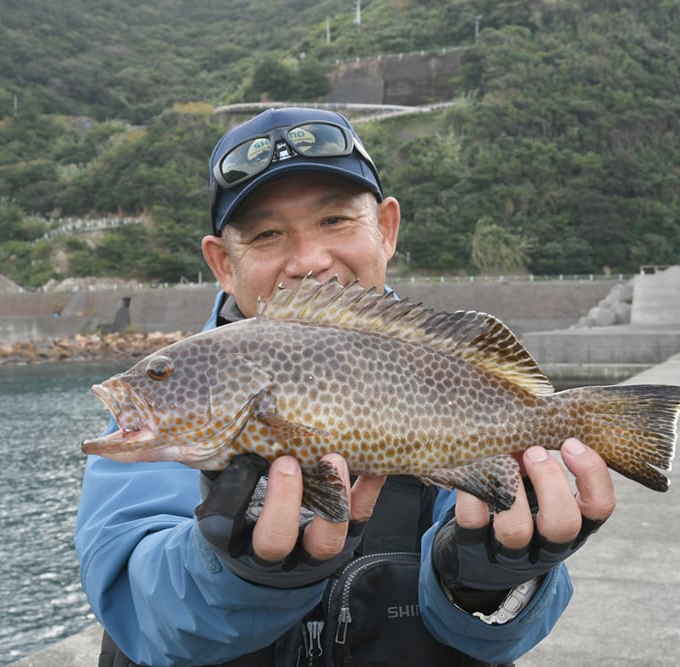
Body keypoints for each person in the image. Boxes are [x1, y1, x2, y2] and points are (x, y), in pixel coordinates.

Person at [75, 107, 617, 667]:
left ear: (385, 229)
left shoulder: (431, 366)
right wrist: (230, 571)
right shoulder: (163, 429)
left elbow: (496, 633)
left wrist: (487, 583)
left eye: (335, 220)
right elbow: (139, 606)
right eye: (265, 233)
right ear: (222, 263)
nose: (310, 260)